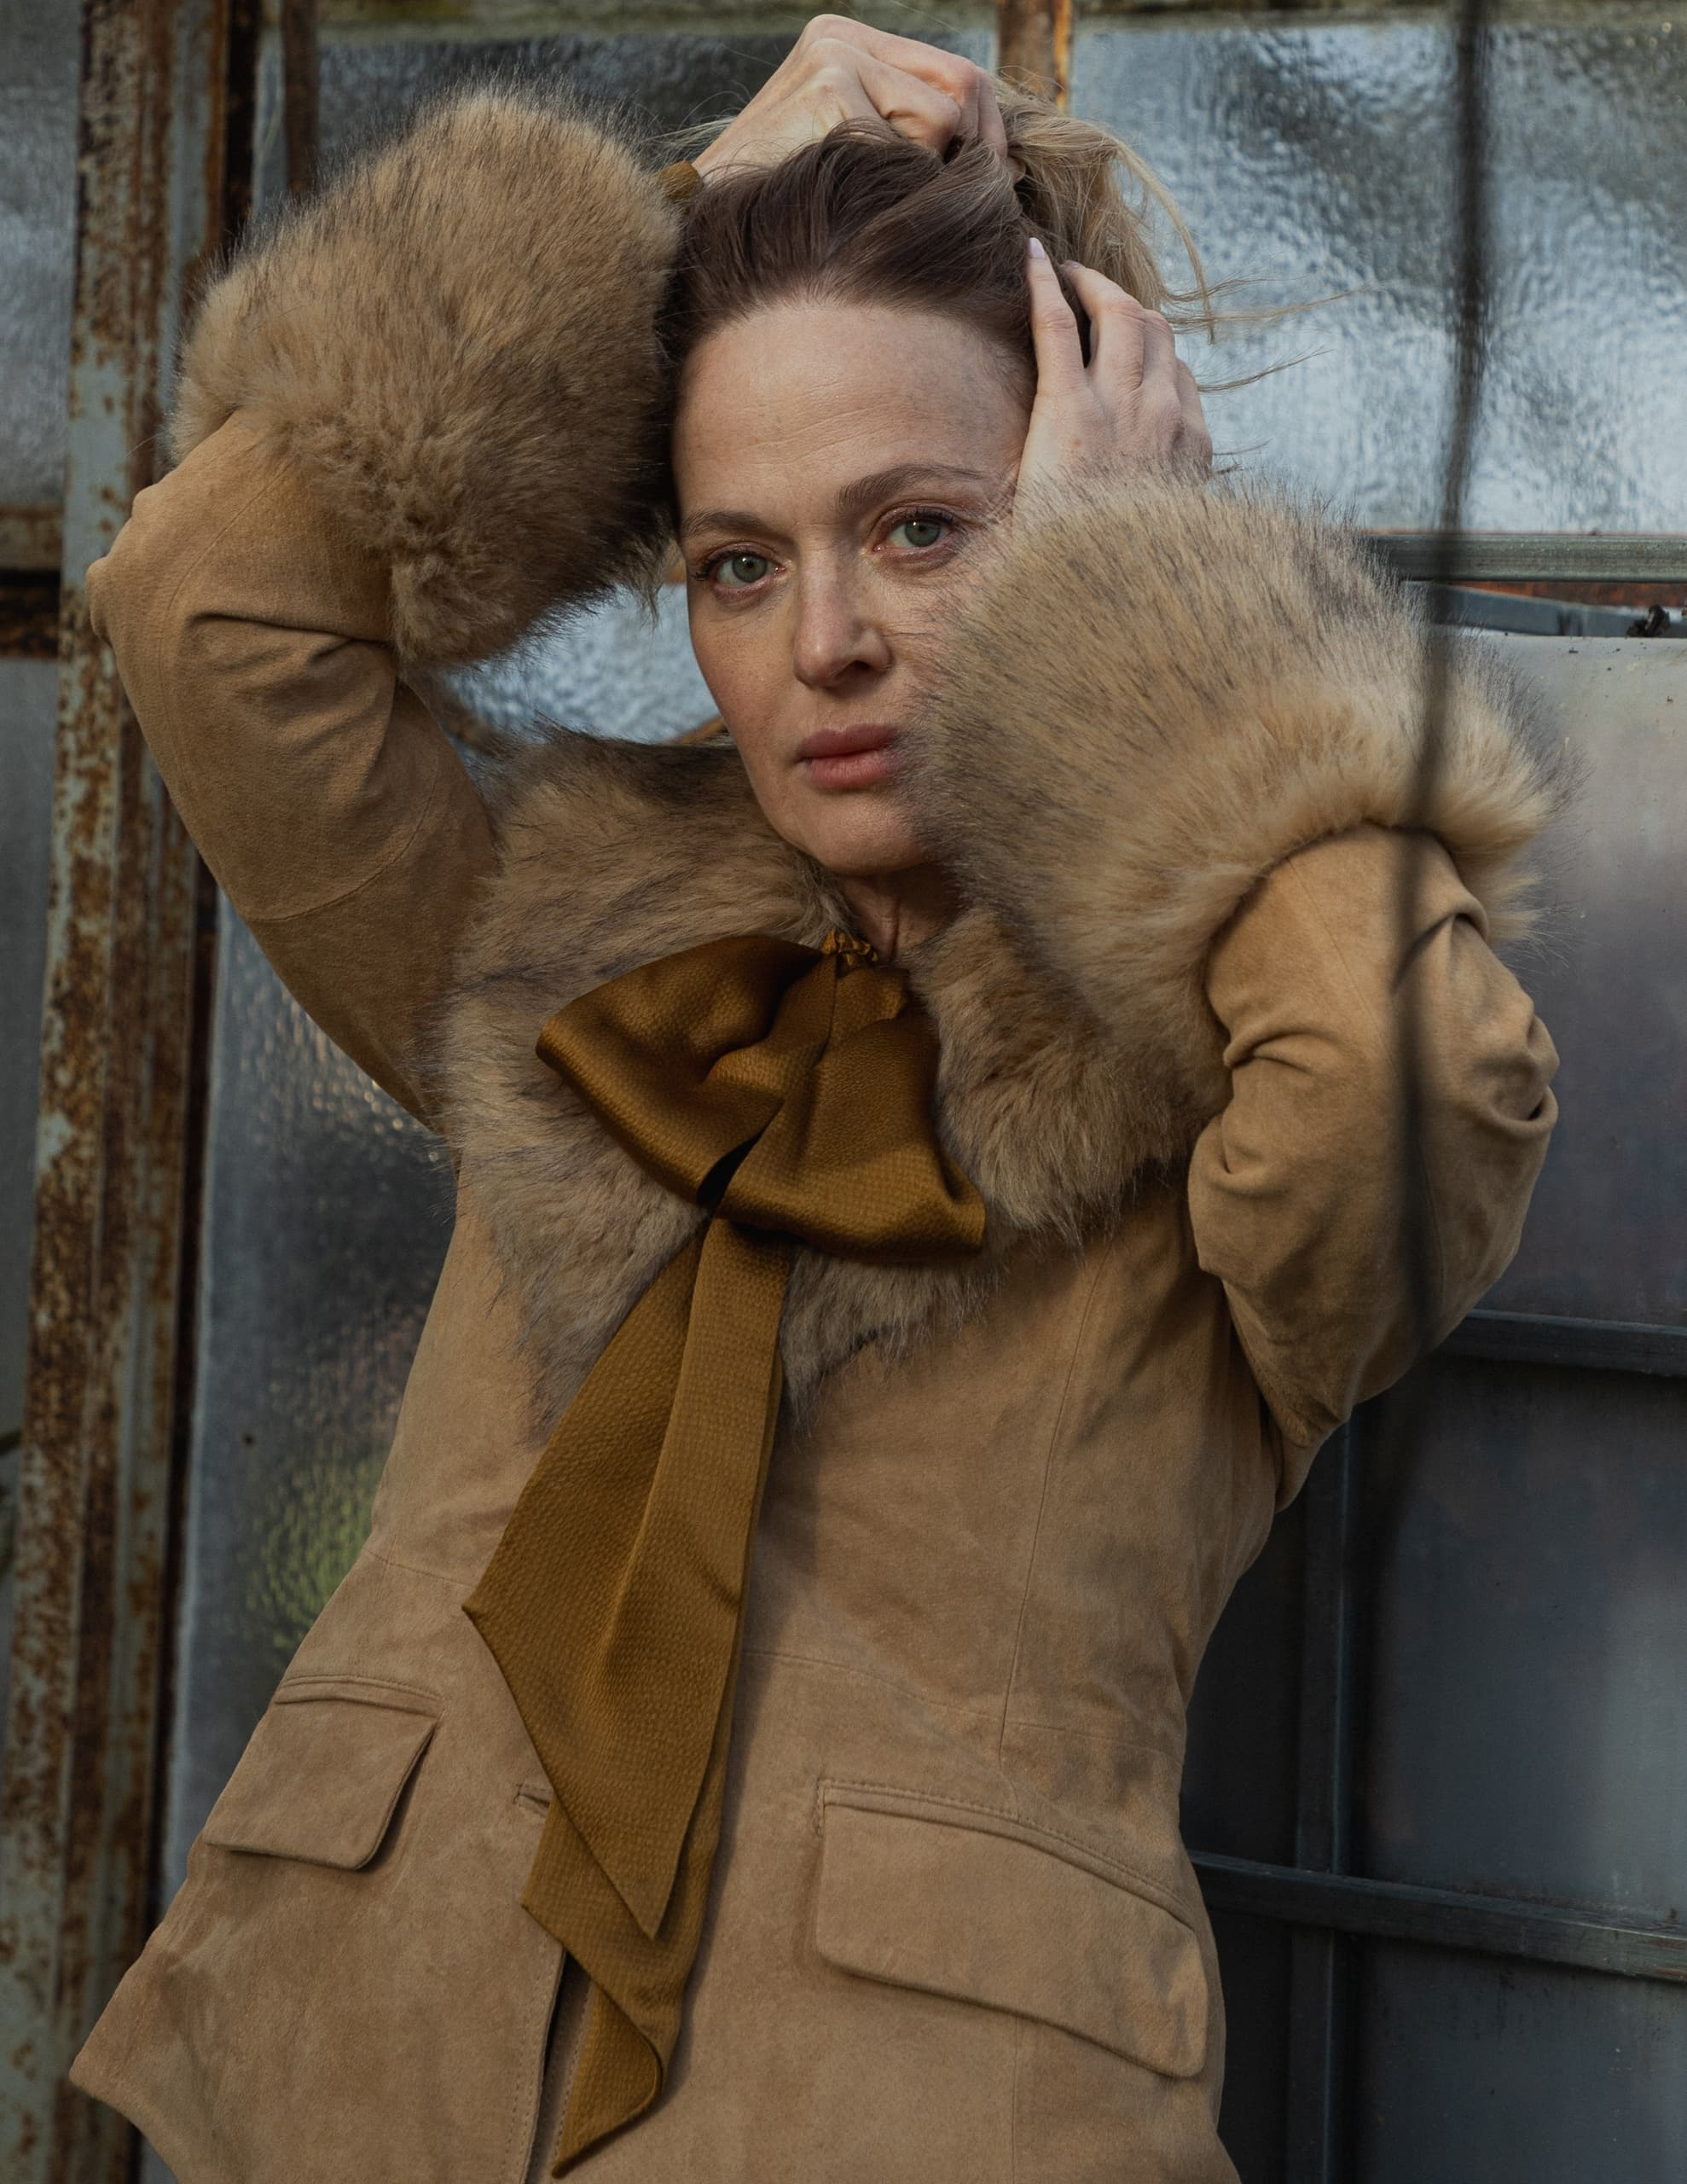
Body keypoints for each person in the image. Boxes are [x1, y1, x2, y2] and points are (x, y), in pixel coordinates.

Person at [68, 18, 1562, 2182]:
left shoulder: (1235, 1032)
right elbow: (206, 602)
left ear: (1087, 519)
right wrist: (656, 251)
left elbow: (1409, 1091)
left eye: (929, 528)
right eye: (737, 560)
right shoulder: (553, 937)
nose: (826, 641)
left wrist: (1139, 623)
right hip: (342, 2087)